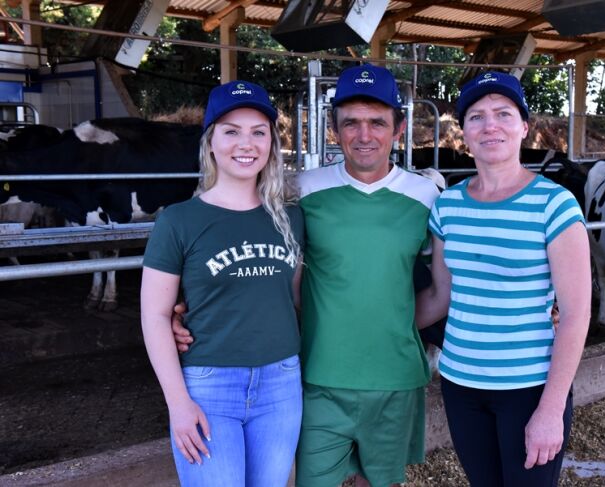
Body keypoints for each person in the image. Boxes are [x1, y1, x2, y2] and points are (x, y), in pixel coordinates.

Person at [173, 64, 441, 487]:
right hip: (316, 376)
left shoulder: (427, 195)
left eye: (377, 122)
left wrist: (390, 327)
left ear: (400, 127)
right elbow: (261, 263)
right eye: (350, 122)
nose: (364, 134)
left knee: (385, 481)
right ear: (333, 129)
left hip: (396, 377)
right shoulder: (300, 191)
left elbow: (446, 285)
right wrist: (184, 310)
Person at [415, 71, 591, 486]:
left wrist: (550, 411)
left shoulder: (555, 205)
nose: (489, 125)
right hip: (460, 384)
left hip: (529, 388)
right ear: (464, 132)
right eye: (476, 116)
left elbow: (576, 314)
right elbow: (440, 296)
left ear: (524, 126)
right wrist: (380, 329)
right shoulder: (448, 206)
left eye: (503, 114)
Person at [140, 80, 305, 487]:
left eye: (258, 132)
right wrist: (178, 404)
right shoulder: (179, 220)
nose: (245, 143)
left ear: (271, 143)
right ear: (210, 141)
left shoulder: (292, 218)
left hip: (281, 383)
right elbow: (155, 315)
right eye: (231, 131)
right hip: (209, 388)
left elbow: (293, 300)